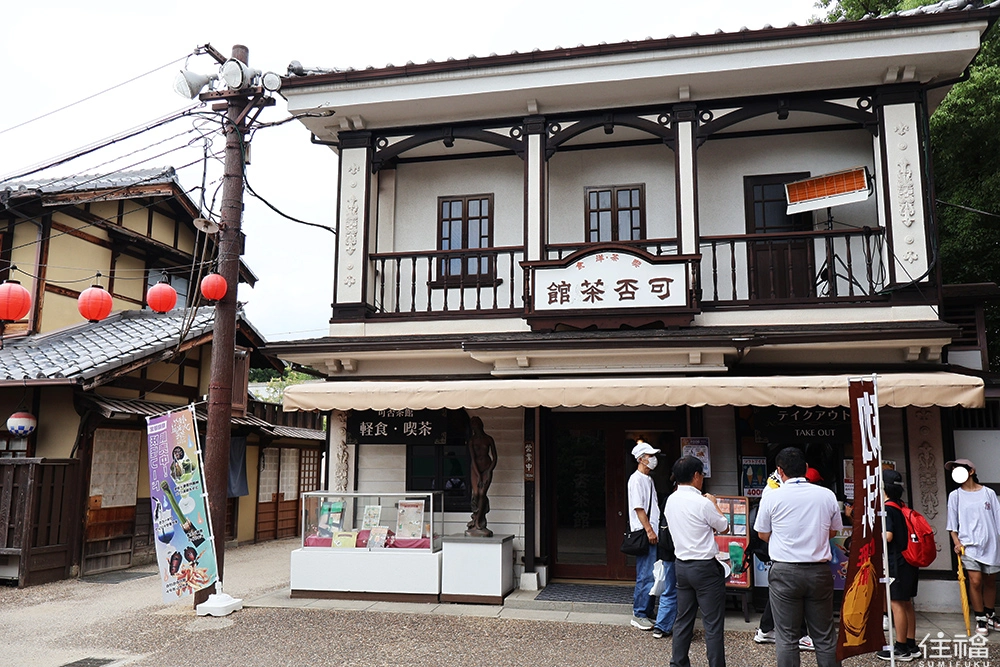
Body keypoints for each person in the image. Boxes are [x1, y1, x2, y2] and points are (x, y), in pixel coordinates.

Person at [754, 448, 842, 667]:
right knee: (825, 636)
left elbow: (762, 534)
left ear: (780, 471)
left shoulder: (772, 496)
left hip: (784, 571)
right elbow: (833, 531)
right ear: (806, 468)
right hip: (819, 571)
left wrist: (784, 540)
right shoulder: (826, 495)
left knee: (786, 637)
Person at [664, 455, 729, 667]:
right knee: (713, 624)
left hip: (682, 565)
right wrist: (714, 504)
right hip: (705, 568)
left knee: (683, 620)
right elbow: (723, 526)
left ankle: (678, 663)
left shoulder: (671, 500)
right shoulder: (703, 502)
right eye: (701, 474)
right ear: (696, 476)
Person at [752, 467, 821, 652]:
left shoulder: (774, 487)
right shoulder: (777, 492)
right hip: (788, 555)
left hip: (782, 553)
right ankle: (800, 635)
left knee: (782, 593)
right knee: (797, 594)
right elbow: (762, 532)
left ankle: (766, 629)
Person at [946, 458, 1000, 636]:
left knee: (990, 580)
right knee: (975, 581)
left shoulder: (988, 493)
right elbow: (952, 525)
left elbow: (998, 518)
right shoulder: (955, 496)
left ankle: (990, 614)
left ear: (971, 471)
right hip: (968, 546)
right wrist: (957, 543)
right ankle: (980, 617)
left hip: (991, 545)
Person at [877, 469, 921, 662]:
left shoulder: (887, 509)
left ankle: (901, 647)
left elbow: (888, 536)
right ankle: (911, 644)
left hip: (896, 562)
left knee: (896, 603)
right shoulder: (902, 506)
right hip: (909, 560)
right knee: (907, 602)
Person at [627, 441, 661, 630]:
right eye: (650, 456)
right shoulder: (636, 480)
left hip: (651, 532)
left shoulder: (648, 479)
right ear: (641, 459)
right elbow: (639, 508)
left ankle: (647, 611)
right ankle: (639, 613)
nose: (653, 459)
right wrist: (649, 530)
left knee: (651, 573)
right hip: (645, 533)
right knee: (645, 574)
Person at [465, 416, 497, 537]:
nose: (475, 428)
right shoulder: (472, 441)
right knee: (476, 494)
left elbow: (495, 457)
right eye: (473, 426)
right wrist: (478, 475)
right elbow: (473, 459)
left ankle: (479, 521)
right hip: (475, 469)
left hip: (487, 468)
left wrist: (489, 470)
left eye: (476, 425)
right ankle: (475, 518)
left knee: (482, 493)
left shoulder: (488, 439)